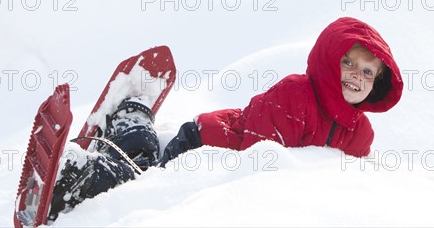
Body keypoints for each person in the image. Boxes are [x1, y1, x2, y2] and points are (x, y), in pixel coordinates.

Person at [49, 16, 403, 220]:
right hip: (206, 145)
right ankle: (87, 170)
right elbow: (255, 161)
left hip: (221, 156)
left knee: (146, 160)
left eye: (368, 73)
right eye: (348, 62)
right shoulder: (295, 96)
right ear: (328, 60)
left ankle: (133, 119)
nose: (357, 75)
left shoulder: (360, 135)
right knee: (143, 176)